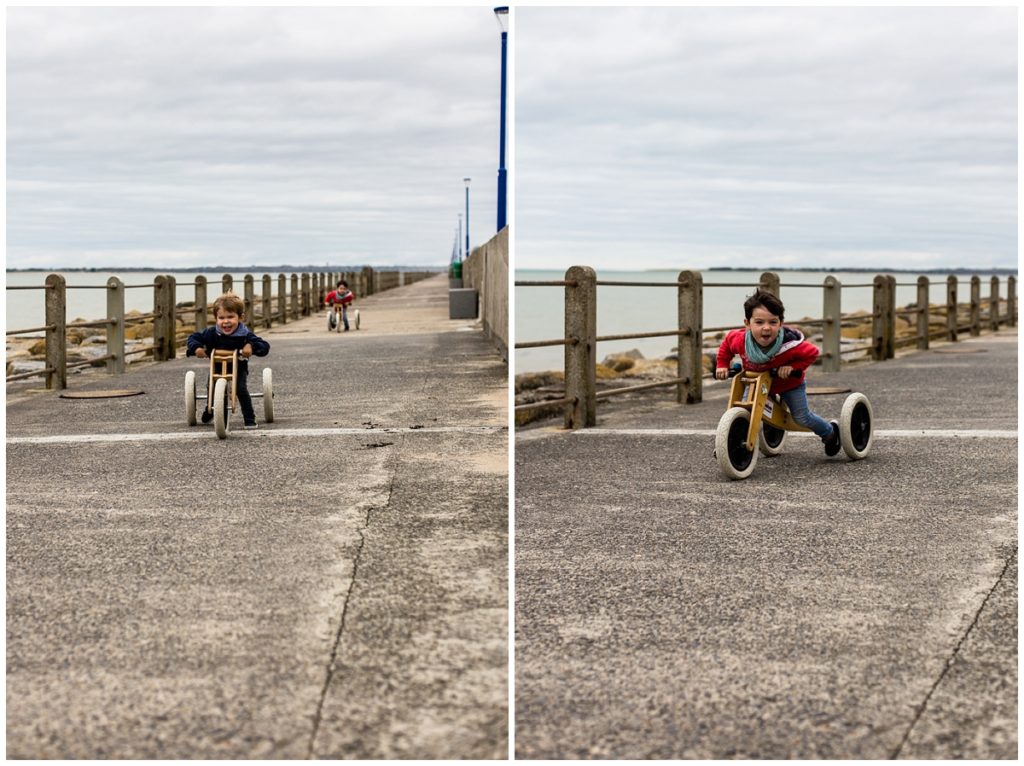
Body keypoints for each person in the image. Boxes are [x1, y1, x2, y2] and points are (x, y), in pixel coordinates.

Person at [715, 288, 841, 455]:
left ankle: (830, 432)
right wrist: (722, 365)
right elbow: (726, 347)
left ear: (781, 323)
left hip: (789, 384)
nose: (766, 328)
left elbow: (812, 353)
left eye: (773, 322)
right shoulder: (739, 340)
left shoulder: (789, 344)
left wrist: (793, 368)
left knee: (801, 417)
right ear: (747, 323)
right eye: (759, 322)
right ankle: (728, 445)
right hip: (758, 383)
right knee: (745, 409)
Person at [186, 292, 270, 430]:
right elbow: (193, 338)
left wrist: (250, 346)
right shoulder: (211, 333)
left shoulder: (245, 334)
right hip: (216, 366)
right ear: (216, 318)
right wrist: (197, 349)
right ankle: (211, 410)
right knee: (212, 387)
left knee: (240, 389)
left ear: (241, 317)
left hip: (239, 366)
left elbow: (264, 346)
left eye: (231, 317)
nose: (226, 321)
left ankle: (250, 417)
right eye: (221, 318)